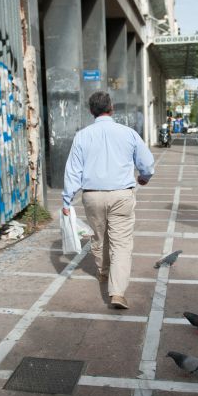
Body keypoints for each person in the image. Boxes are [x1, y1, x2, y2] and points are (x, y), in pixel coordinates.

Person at [62, 91, 155, 310]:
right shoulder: (128, 133)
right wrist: (143, 177)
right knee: (121, 244)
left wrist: (67, 201)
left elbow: (73, 171)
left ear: (90, 111)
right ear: (111, 108)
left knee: (99, 236)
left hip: (92, 195)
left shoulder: (82, 136)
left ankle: (103, 272)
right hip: (122, 195)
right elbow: (147, 163)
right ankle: (117, 292)